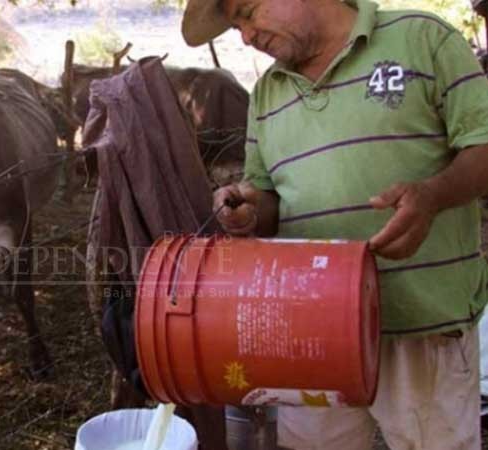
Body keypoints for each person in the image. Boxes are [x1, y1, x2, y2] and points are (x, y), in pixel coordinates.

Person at [182, 0, 488, 448]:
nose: (246, 35)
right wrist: (248, 211)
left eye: (248, 12)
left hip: (421, 325)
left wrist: (433, 196)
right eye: (235, 27)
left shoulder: (422, 38)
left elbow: (482, 144)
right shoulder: (268, 92)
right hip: (311, 331)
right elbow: (266, 195)